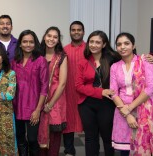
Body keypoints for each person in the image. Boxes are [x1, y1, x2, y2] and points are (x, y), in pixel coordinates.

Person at [75, 30, 121, 156]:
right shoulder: (83, 62)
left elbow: (132, 60)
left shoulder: (113, 59)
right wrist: (100, 92)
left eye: (97, 42)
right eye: (91, 41)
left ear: (104, 44)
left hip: (107, 104)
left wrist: (152, 58)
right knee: (90, 138)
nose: (94, 45)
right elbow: (78, 86)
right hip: (86, 104)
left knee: (107, 138)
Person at [110, 32, 153, 156]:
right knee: (124, 149)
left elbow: (151, 88)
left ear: (133, 45)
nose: (122, 47)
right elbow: (113, 93)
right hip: (122, 111)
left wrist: (129, 109)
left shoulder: (145, 62)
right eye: (119, 44)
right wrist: (126, 114)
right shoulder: (115, 67)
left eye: (126, 43)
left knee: (141, 146)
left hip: (142, 110)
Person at [11, 30, 49, 156]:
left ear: (35, 44)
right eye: (25, 41)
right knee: (20, 138)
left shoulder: (41, 61)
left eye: (31, 42)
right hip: (17, 107)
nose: (28, 44)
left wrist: (38, 110)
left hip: (34, 107)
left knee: (32, 139)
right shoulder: (14, 62)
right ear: (20, 44)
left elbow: (44, 87)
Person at [38, 26, 67, 156]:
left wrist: (50, 105)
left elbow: (62, 84)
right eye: (49, 36)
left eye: (55, 37)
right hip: (38, 100)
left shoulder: (62, 57)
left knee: (54, 139)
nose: (51, 39)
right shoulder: (37, 55)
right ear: (44, 37)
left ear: (58, 40)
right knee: (37, 138)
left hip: (56, 102)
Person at [63, 21, 85, 156]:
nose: (76, 32)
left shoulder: (90, 48)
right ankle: (69, 151)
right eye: (73, 30)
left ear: (83, 31)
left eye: (79, 30)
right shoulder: (64, 50)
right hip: (67, 92)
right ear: (70, 32)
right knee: (68, 124)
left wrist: (151, 57)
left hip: (86, 94)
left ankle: (92, 151)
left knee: (90, 125)